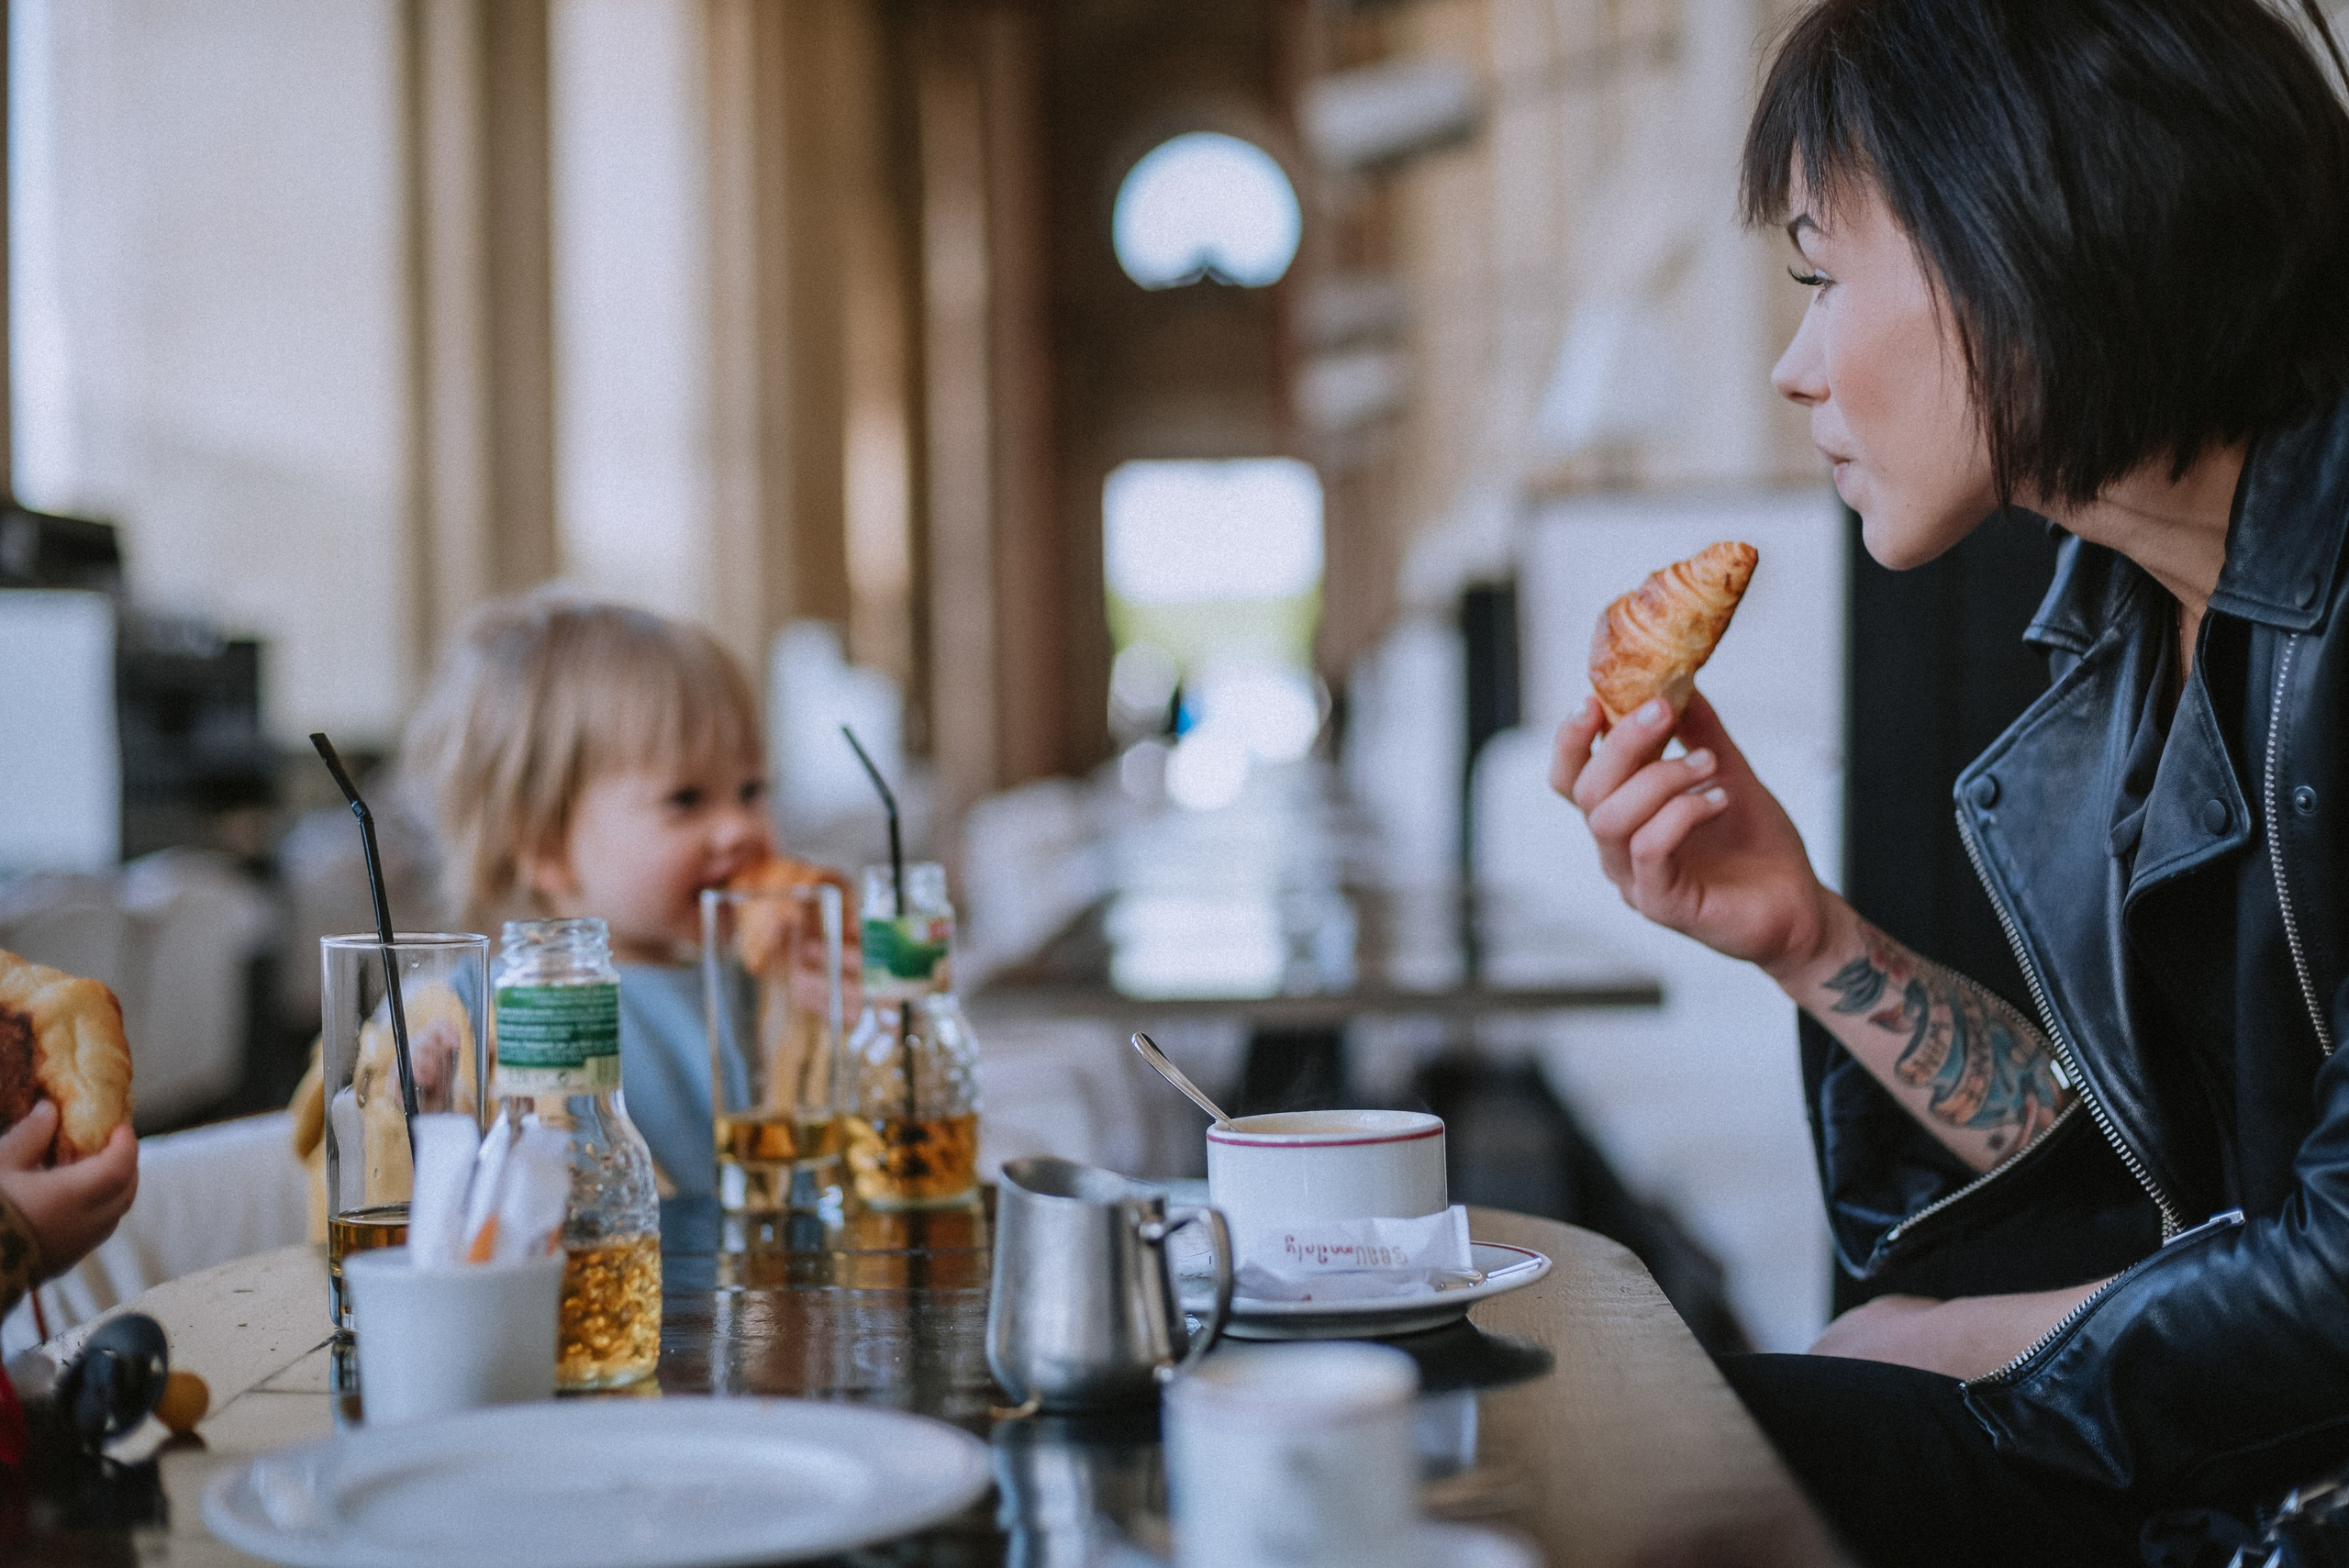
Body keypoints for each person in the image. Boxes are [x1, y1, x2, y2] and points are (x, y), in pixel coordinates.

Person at [1552, 1, 2349, 1562]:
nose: (1792, 366)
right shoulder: (2138, 622)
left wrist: (1965, 1342)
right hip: (2245, 1466)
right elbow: (2164, 1178)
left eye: (1819, 273)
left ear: (2042, 225)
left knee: (1664, 1455)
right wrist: (1805, 935)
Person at [399, 592, 780, 1198]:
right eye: (686, 799)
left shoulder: (759, 989)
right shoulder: (479, 1012)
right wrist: (421, 1098)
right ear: (545, 845)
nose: (739, 828)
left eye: (752, 790)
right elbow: (395, 1175)